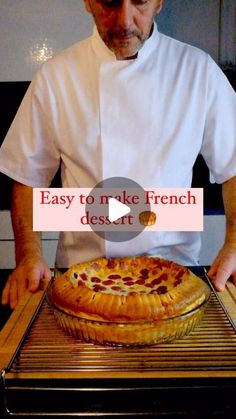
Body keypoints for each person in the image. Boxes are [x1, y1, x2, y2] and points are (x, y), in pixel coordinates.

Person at [0, 0, 235, 310]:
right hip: (80, 277)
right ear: (87, 2)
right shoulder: (55, 77)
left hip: (173, 275)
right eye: (109, 2)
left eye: (139, 1)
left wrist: (233, 243)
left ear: (159, 2)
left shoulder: (198, 71)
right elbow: (27, 173)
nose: (124, 20)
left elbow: (233, 166)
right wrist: (29, 255)